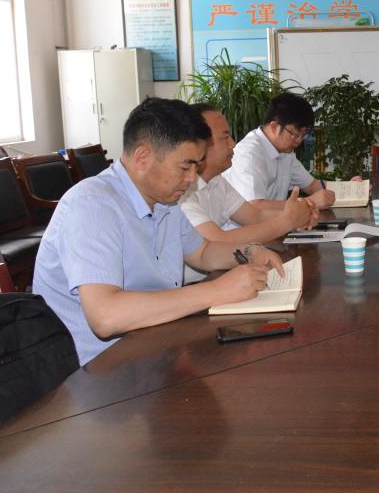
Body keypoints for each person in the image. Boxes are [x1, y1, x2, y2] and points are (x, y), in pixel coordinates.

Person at [34, 97, 285, 366]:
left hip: (152, 347)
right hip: (96, 369)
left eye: (196, 166)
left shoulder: (166, 200)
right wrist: (218, 290)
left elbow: (203, 252)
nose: (192, 178)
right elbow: (105, 317)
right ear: (143, 157)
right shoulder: (93, 205)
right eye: (185, 166)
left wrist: (249, 250)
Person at [179, 104, 319, 283]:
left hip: (220, 274)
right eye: (225, 137)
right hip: (196, 285)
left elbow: (254, 215)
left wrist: (300, 213)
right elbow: (217, 242)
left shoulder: (216, 180)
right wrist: (287, 220)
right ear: (197, 144)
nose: (233, 144)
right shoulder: (180, 192)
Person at [222, 92, 336, 209]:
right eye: (295, 134)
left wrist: (346, 190)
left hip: (275, 220)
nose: (299, 140)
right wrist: (309, 202)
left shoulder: (286, 152)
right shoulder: (250, 154)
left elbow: (312, 185)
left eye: (303, 135)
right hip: (243, 221)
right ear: (274, 126)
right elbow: (254, 206)